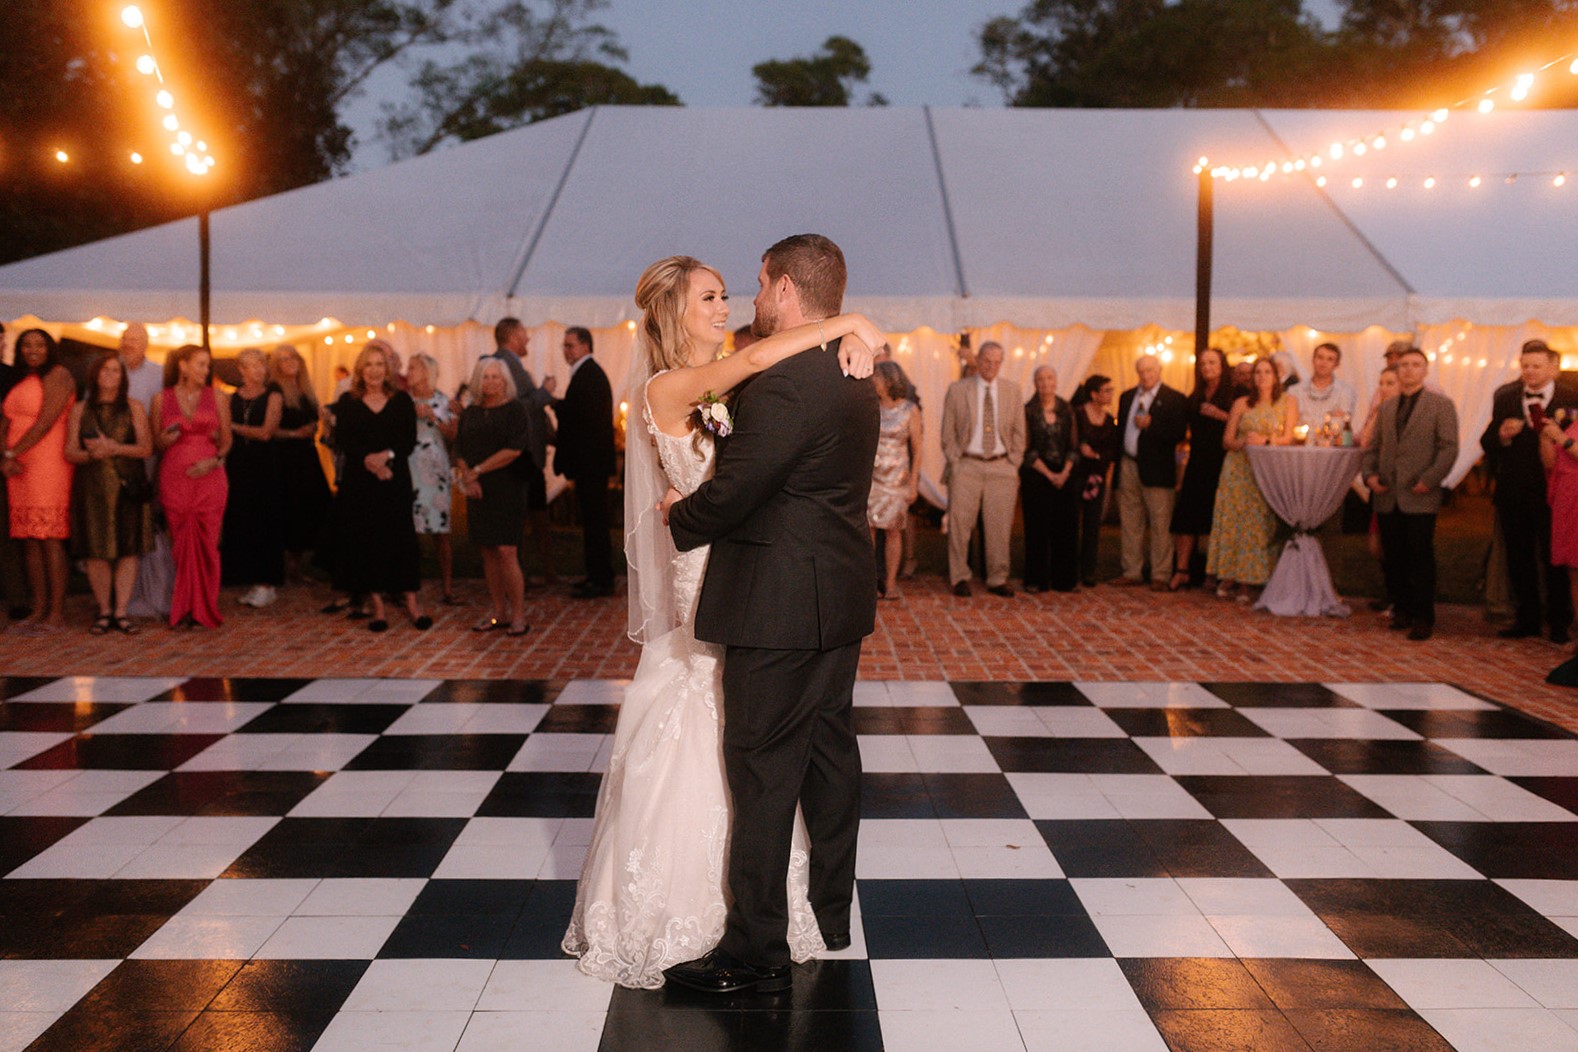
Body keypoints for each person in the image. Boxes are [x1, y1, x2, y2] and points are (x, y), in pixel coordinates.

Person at [562, 246, 883, 992]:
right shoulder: (683, 384)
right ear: (674, 314)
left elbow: (756, 458)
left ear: (779, 287)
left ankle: (757, 933)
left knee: (764, 759)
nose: (726, 308)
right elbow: (766, 367)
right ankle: (778, 912)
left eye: (730, 294)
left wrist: (853, 329)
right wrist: (856, 325)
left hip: (759, 582)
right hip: (738, 578)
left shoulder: (773, 375)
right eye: (707, 298)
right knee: (766, 750)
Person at [325, 343, 430, 632]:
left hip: (394, 479)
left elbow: (407, 440)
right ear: (360, 370)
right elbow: (345, 440)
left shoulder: (401, 401)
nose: (374, 370)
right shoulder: (348, 401)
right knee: (367, 540)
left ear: (388, 370)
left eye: (379, 365)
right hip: (361, 481)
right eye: (368, 365)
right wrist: (370, 461)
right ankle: (378, 607)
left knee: (401, 538)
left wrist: (386, 458)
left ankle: (411, 603)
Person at [1480, 339, 1578, 643]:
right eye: (1525, 365)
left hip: (1556, 491)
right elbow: (1487, 443)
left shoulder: (1571, 397)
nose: (1530, 371)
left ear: (1553, 367)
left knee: (1555, 558)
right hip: (1513, 489)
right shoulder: (1506, 396)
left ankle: (1559, 621)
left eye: (1536, 366)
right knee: (1519, 557)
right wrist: (1502, 435)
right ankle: (1527, 618)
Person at [1362, 347, 1459, 641]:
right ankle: (1400, 609)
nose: (1408, 370)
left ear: (1425, 370)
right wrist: (1370, 476)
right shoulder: (1388, 407)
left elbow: (1448, 447)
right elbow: (1373, 447)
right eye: (1403, 365)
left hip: (1420, 493)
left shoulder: (1440, 405)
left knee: (1420, 556)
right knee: (1394, 556)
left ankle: (1422, 616)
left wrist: (1429, 479)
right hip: (1388, 493)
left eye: (1415, 365)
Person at [65, 354, 155, 633]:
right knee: (96, 549)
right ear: (95, 374)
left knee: (129, 548)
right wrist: (92, 454)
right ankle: (104, 611)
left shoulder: (134, 407)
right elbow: (69, 451)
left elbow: (146, 448)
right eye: (105, 369)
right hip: (92, 486)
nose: (110, 374)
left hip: (127, 484)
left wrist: (114, 448)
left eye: (115, 370)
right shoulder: (81, 409)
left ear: (122, 377)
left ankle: (121, 611)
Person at [1, 329, 77, 632]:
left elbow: (46, 421)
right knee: (29, 537)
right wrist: (6, 456)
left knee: (50, 536)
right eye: (27, 345)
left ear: (50, 349)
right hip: (16, 466)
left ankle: (56, 612)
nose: (33, 350)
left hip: (47, 462)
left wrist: (12, 451)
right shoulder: (20, 378)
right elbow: (6, 420)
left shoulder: (59, 375)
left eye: (40, 344)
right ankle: (39, 608)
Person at [152, 344, 231, 629]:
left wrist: (214, 461)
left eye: (207, 365)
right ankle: (184, 607)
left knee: (208, 544)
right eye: (200, 364)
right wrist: (165, 440)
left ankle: (204, 609)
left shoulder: (217, 397)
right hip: (175, 476)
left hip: (209, 477)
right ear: (183, 366)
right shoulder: (162, 399)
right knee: (180, 544)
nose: (205, 370)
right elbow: (155, 443)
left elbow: (227, 441)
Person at [1207, 357, 1297, 602]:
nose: (1262, 377)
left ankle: (1253, 579)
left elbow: (1290, 437)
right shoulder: (1241, 403)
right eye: (1258, 372)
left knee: (1259, 523)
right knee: (1235, 521)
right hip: (1238, 469)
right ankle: (1229, 575)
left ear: (1275, 376)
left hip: (1268, 469)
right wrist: (1243, 442)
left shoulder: (1287, 402)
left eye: (1267, 372)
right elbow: (1227, 440)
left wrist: (1266, 441)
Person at [939, 341, 1025, 597]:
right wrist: (955, 460)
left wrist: (1014, 462)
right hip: (967, 464)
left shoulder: (1012, 391)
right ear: (977, 359)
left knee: (999, 526)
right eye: (987, 360)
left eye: (997, 361)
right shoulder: (958, 390)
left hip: (1002, 466)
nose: (991, 366)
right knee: (959, 525)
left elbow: (1020, 432)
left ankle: (998, 578)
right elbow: (948, 431)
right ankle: (959, 576)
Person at [455, 358, 530, 636]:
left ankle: (519, 614)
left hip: (506, 486)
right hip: (476, 488)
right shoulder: (470, 412)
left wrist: (477, 470)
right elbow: (459, 448)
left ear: (505, 380)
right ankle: (499, 611)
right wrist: (467, 475)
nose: (490, 382)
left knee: (506, 550)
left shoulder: (514, 410)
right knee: (488, 550)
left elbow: (515, 449)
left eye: (495, 377)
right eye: (485, 377)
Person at [487, 318, 556, 584]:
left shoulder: (508, 363)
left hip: (525, 455)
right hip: (520, 457)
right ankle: (522, 574)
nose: (528, 339)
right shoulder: (504, 364)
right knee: (525, 517)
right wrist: (545, 391)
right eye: (525, 333)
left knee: (532, 515)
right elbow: (520, 407)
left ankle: (533, 572)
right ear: (514, 335)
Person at [551, 327, 617, 598]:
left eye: (571, 346)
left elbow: (582, 417)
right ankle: (596, 575)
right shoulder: (586, 373)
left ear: (586, 346)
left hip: (592, 464)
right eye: (564, 346)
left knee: (595, 523)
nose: (566, 351)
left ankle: (600, 580)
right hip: (591, 463)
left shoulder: (589, 374)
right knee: (592, 523)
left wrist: (553, 403)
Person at [1112, 354, 1188, 589]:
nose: (1146, 376)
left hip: (1157, 468)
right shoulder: (1126, 397)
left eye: (1150, 371)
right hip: (1128, 463)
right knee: (1130, 521)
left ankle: (1160, 574)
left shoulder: (1174, 398)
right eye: (1142, 371)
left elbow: (1178, 434)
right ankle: (1132, 571)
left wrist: (1151, 426)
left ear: (1159, 370)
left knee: (1160, 522)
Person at [221, 348, 285, 608]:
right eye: (251, 366)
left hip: (264, 465)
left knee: (265, 521)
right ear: (241, 370)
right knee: (242, 520)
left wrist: (233, 427)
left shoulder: (273, 395)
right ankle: (252, 581)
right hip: (238, 465)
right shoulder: (232, 398)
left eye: (261, 365)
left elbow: (266, 432)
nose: (258, 370)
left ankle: (267, 582)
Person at [1168, 348, 1235, 591]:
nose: (1207, 367)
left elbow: (1242, 425)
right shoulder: (1195, 396)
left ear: (1222, 365)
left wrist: (1220, 415)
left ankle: (1215, 572)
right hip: (1197, 461)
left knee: (1218, 518)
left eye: (1212, 362)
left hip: (1223, 462)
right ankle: (1182, 570)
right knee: (1187, 516)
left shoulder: (1234, 394)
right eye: (1203, 363)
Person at [267, 344, 331, 582]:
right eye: (283, 359)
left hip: (306, 455)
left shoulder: (304, 389)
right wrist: (296, 434)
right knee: (291, 509)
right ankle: (288, 566)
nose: (289, 362)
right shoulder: (275, 390)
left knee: (311, 507)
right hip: (286, 457)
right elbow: (270, 430)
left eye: (292, 357)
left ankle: (299, 563)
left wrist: (316, 425)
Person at [1020, 365, 1079, 593]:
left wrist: (1064, 472)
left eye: (1050, 378)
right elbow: (1027, 448)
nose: (1046, 383)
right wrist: (1049, 474)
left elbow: (1073, 446)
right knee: (1037, 528)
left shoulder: (1067, 409)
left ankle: (1064, 579)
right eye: (1041, 379)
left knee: (1066, 527)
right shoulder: (1028, 410)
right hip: (1037, 474)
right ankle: (1037, 579)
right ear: (1035, 384)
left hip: (1065, 474)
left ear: (1056, 382)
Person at [407, 353, 458, 604]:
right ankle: (408, 587)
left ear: (427, 372)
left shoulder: (443, 400)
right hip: (409, 466)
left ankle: (447, 587)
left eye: (414, 368)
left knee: (441, 532)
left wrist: (432, 417)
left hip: (435, 469)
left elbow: (453, 434)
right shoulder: (403, 401)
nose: (408, 371)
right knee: (409, 531)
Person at [869, 360, 922, 599]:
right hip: (872, 479)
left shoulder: (910, 410)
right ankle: (868, 583)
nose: (873, 381)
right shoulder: (870, 406)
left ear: (890, 380)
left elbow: (918, 449)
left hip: (897, 480)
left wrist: (913, 484)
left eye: (877, 378)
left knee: (893, 532)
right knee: (867, 532)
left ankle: (890, 584)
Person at [1541, 407, 1578, 685]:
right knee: (1572, 570)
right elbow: (1552, 463)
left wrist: (1562, 439)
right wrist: (1547, 437)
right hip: (1566, 495)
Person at [1073, 374, 1120, 589]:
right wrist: (1082, 450)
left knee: (1093, 524)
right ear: (1094, 394)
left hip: (1097, 477)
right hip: (1076, 476)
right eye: (1106, 390)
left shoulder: (1110, 421)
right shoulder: (1079, 414)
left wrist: (1097, 457)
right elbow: (1072, 441)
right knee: (1072, 522)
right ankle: (1070, 569)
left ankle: (1089, 571)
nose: (1110, 394)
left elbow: (1112, 450)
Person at [1292, 342, 1357, 433]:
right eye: (1320, 357)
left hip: (1332, 446)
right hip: (1300, 445)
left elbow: (1342, 424)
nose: (1323, 363)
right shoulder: (1295, 391)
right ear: (1313, 360)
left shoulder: (1346, 392)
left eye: (1330, 359)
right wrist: (1331, 416)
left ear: (1337, 364)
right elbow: (1291, 425)